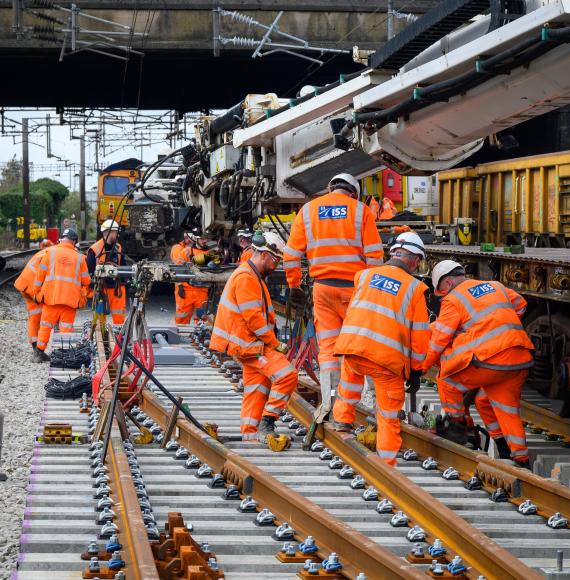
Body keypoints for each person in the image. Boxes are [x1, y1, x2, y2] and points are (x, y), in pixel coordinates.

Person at [283, 173, 384, 423]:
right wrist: (374, 292)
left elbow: (291, 255)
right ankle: (370, 400)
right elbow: (374, 257)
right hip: (355, 290)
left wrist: (295, 284)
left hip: (323, 289)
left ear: (331, 188)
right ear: (353, 192)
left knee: (328, 348)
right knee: (363, 344)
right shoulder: (361, 211)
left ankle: (330, 401)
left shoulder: (308, 211)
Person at [331, 232, 430, 465]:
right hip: (386, 362)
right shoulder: (415, 289)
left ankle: (342, 421)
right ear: (415, 259)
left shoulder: (364, 276)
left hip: (353, 348)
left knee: (349, 381)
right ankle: (386, 465)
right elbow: (420, 338)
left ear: (394, 252)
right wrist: (415, 371)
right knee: (388, 414)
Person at [424, 260, 535, 467]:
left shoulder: (453, 299)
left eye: (441, 292)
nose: (442, 297)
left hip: (490, 360)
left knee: (446, 380)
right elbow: (520, 305)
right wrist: (500, 326)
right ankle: (517, 457)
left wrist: (421, 368)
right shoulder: (495, 286)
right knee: (495, 404)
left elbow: (440, 338)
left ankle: (457, 428)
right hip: (518, 358)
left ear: (447, 283)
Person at [210, 231, 298, 445]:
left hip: (248, 345)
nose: (276, 264)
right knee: (287, 375)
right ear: (265, 255)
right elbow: (254, 319)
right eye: (276, 260)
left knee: (257, 389)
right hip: (250, 344)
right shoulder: (246, 278)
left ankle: (250, 435)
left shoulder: (251, 276)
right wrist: (275, 343)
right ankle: (268, 421)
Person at [33, 228, 91, 361]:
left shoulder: (50, 253)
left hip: (51, 298)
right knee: (66, 328)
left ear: (61, 238)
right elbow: (86, 280)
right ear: (74, 242)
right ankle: (63, 355)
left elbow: (39, 276)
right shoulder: (80, 258)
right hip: (70, 301)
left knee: (45, 326)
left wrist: (36, 292)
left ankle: (39, 353)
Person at [87, 219, 127, 325]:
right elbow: (89, 273)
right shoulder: (95, 250)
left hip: (117, 289)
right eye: (116, 232)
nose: (117, 235)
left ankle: (118, 339)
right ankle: (103, 340)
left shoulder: (118, 248)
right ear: (109, 232)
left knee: (119, 319)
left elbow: (123, 267)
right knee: (100, 320)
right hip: (101, 289)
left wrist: (125, 280)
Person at [14, 245, 52, 354]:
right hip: (32, 287)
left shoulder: (48, 251)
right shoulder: (52, 255)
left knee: (34, 316)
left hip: (24, 285)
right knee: (42, 317)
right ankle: (39, 350)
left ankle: (35, 349)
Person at [170, 228, 210, 325]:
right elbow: (177, 269)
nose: (204, 241)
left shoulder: (210, 253)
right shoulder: (186, 252)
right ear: (196, 239)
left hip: (202, 291)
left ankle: (198, 340)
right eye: (202, 239)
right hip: (186, 290)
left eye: (206, 239)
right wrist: (179, 286)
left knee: (202, 321)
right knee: (181, 318)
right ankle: (179, 338)